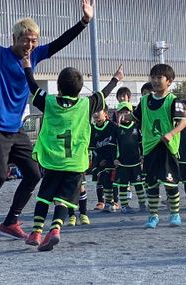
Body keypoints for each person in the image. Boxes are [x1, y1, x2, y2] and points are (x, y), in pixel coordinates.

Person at [0, 0, 94, 246]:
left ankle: (10, 222)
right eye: (26, 40)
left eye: (34, 41)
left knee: (35, 174)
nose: (30, 46)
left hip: (16, 129)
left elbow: (59, 43)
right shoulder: (0, 55)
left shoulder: (34, 56)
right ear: (15, 38)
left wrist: (84, 21)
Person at [23, 57, 122, 251]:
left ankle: (36, 232)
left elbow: (33, 87)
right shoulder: (86, 104)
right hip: (75, 162)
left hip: (53, 160)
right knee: (63, 199)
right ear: (79, 89)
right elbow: (103, 94)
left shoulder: (49, 101)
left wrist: (27, 67)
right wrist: (116, 79)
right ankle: (55, 229)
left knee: (44, 197)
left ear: (58, 87)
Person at [134, 64, 186, 229]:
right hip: (150, 148)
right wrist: (126, 117)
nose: (156, 81)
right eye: (153, 77)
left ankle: (175, 214)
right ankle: (153, 216)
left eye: (160, 77)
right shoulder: (144, 100)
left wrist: (171, 134)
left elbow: (183, 122)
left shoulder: (174, 101)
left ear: (169, 81)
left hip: (167, 148)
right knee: (151, 184)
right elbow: (136, 118)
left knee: (170, 184)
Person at [113, 102, 146, 213]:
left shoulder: (137, 127)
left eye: (127, 112)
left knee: (138, 184)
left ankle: (142, 204)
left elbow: (141, 143)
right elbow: (113, 146)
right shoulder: (116, 130)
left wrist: (142, 155)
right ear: (117, 114)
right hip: (122, 162)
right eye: (121, 112)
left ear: (131, 113)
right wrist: (115, 158)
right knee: (122, 185)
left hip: (135, 162)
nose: (124, 115)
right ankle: (124, 206)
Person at [88, 109, 119, 212]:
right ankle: (101, 201)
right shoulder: (92, 129)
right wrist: (99, 160)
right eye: (94, 112)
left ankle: (114, 201)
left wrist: (112, 158)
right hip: (99, 160)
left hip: (111, 158)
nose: (96, 114)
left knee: (110, 180)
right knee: (100, 179)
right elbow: (92, 148)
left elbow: (116, 144)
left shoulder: (113, 126)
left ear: (105, 113)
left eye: (98, 111)